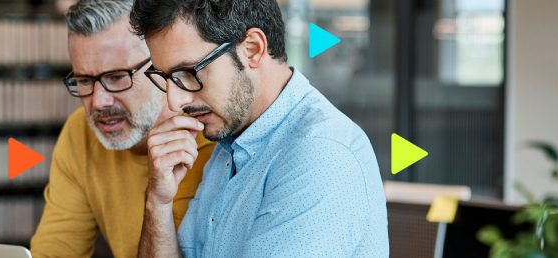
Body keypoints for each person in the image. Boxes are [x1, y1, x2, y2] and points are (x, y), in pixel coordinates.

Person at [130, 0, 389, 257]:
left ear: (253, 49)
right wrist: (157, 203)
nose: (175, 101)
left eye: (188, 72)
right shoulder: (230, 144)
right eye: (167, 78)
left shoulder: (321, 154)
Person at [30, 1, 215, 257]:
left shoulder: (215, 136)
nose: (98, 102)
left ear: (159, 66)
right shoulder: (79, 133)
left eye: (117, 77)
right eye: (84, 80)